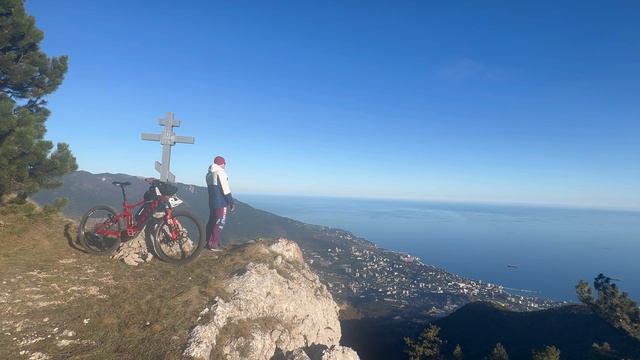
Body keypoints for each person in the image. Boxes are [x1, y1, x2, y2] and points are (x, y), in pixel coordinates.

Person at [205, 156, 236, 251]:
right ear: (221, 163)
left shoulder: (209, 174)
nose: (225, 165)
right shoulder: (221, 173)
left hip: (212, 202)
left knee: (211, 222)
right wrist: (231, 202)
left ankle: (209, 242)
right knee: (220, 223)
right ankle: (214, 244)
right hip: (221, 203)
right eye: (224, 163)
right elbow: (225, 189)